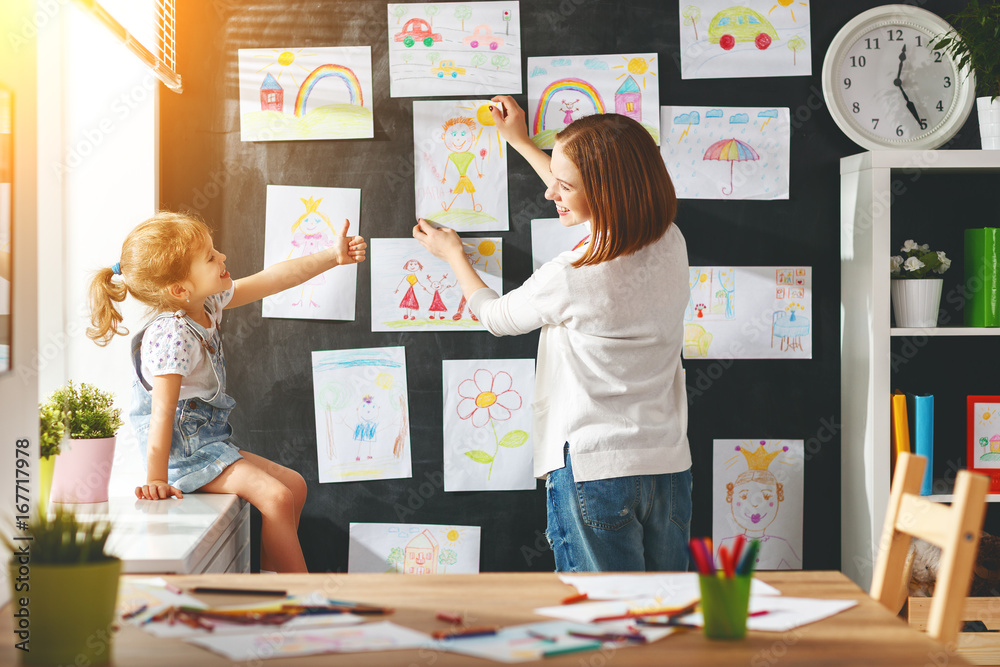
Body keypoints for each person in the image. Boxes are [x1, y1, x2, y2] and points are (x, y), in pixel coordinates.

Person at [413, 97, 692, 572]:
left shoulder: (570, 274)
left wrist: (453, 255)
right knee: (660, 615)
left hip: (593, 471)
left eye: (563, 187)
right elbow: (597, 196)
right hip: (666, 467)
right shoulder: (669, 240)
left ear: (601, 194)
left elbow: (498, 317)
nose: (550, 195)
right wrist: (521, 143)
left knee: (601, 620)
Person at [87, 211, 366, 572]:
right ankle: (303, 593)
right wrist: (156, 479)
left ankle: (270, 579)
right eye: (209, 257)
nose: (222, 257)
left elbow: (272, 279)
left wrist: (332, 256)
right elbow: (161, 413)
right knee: (276, 497)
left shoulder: (206, 303)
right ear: (180, 289)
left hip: (208, 444)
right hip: (183, 457)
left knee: (293, 486)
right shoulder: (171, 336)